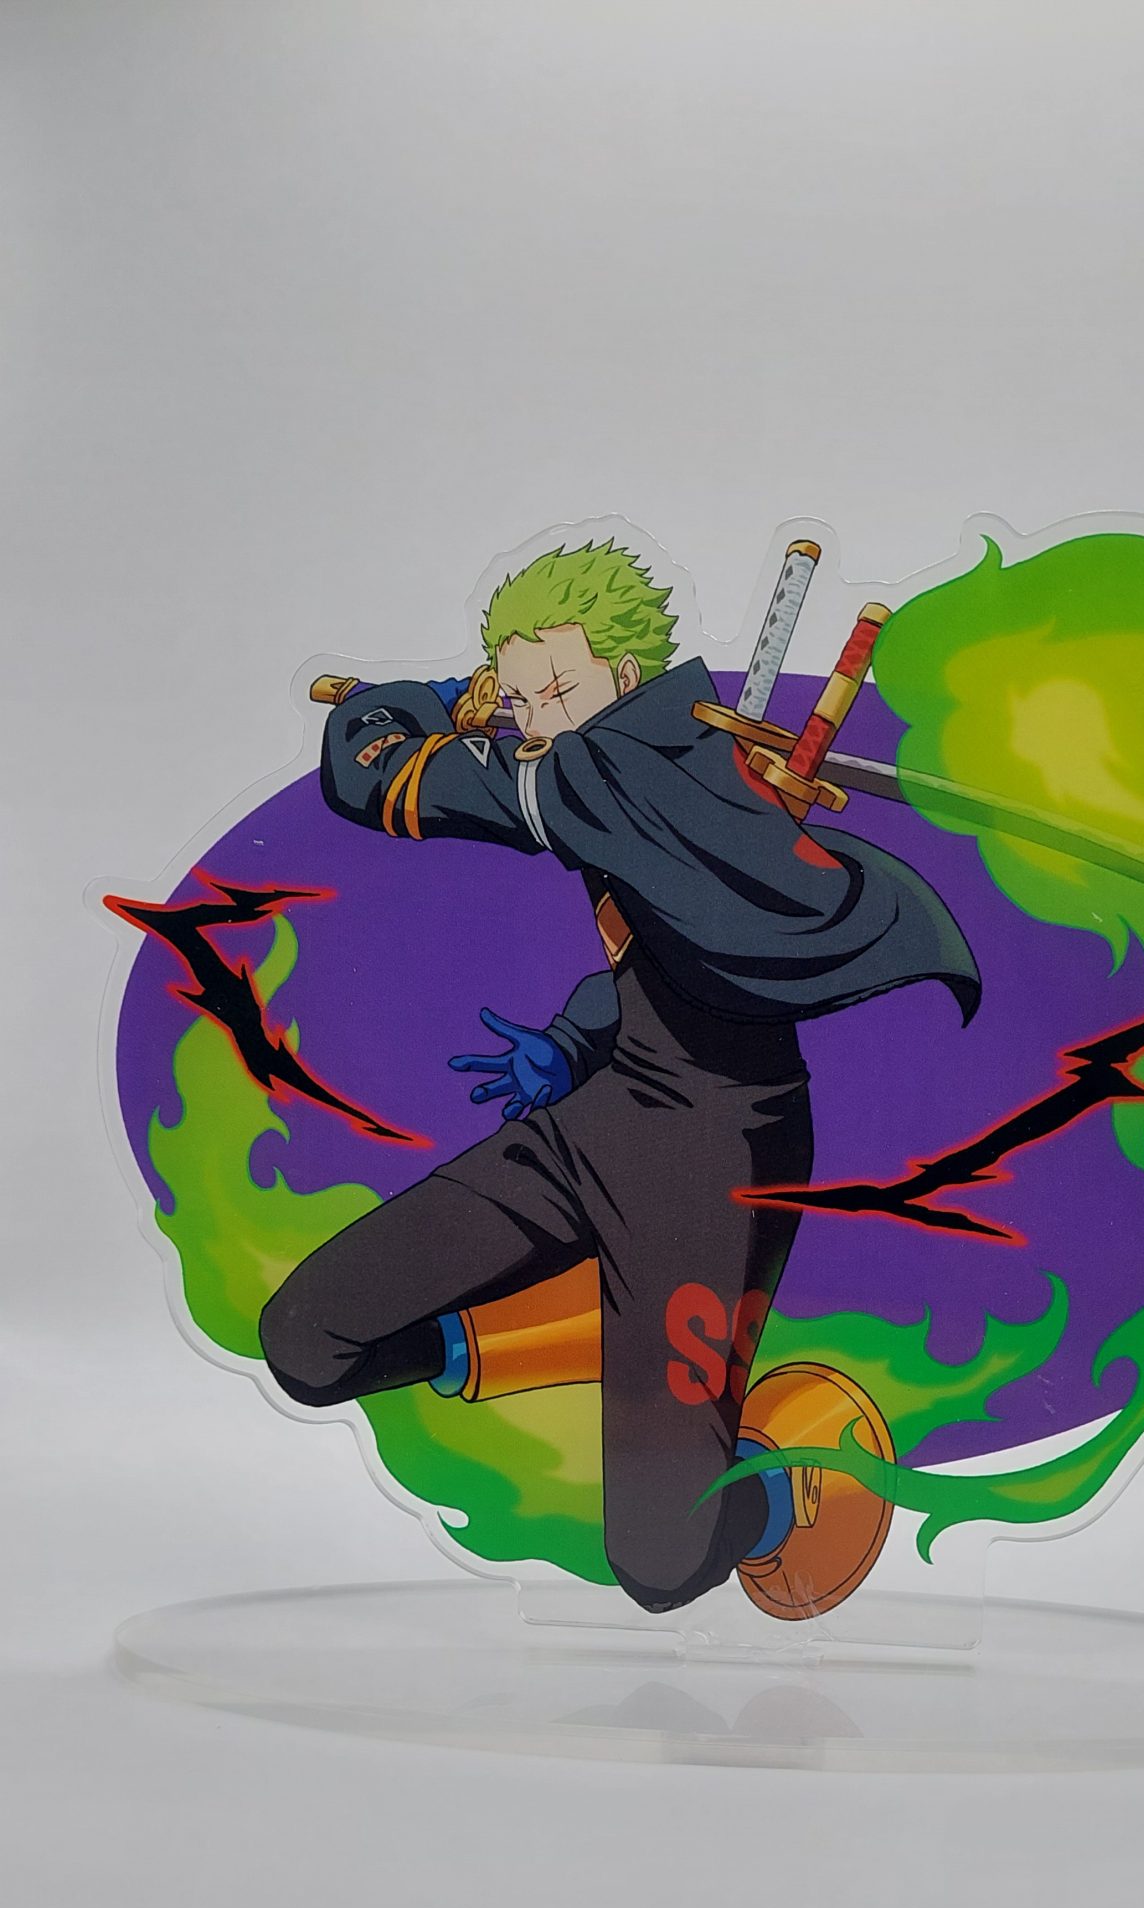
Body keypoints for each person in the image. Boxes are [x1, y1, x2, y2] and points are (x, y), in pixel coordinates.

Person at [259, 539, 980, 1616]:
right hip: (600, 1118)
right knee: (307, 1340)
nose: (534, 716)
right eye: (518, 694)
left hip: (717, 1162)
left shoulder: (599, 774)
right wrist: (572, 1038)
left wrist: (416, 702)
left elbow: (374, 778)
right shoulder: (672, 771)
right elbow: (683, 949)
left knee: (664, 1563)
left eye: (555, 688)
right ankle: (572, 1336)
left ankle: (794, 1471)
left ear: (625, 679)